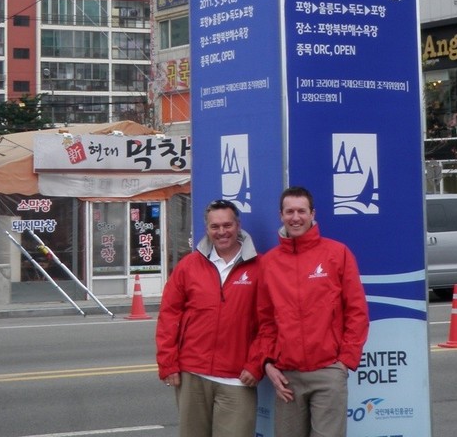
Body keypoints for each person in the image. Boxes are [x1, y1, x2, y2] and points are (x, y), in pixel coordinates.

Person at [256, 187, 369, 437]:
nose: (295, 217)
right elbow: (265, 320)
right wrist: (267, 363)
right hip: (287, 375)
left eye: (301, 211)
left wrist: (345, 361)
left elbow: (357, 311)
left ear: (312, 214)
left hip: (328, 371)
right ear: (281, 215)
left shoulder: (337, 254)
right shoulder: (269, 262)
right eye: (289, 211)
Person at [155, 199, 263, 437]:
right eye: (215, 227)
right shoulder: (189, 266)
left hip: (238, 379)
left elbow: (269, 324)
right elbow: (169, 315)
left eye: (227, 225)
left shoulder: (260, 268)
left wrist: (256, 364)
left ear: (238, 225)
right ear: (207, 228)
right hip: (192, 374)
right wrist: (168, 363)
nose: (222, 232)